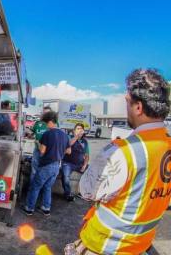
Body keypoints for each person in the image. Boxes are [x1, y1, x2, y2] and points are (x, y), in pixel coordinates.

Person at [66, 69, 171, 255]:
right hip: (140, 245)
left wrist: (107, 153)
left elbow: (87, 190)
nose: (126, 107)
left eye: (127, 102)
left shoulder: (123, 150)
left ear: (138, 107)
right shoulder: (167, 144)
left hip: (107, 246)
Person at [22, 111, 71, 216]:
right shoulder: (64, 135)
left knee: (35, 186)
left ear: (50, 122)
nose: (45, 125)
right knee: (48, 187)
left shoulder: (47, 134)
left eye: (45, 123)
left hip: (46, 165)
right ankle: (46, 208)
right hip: (57, 166)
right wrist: (58, 150)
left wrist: (37, 143)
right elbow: (68, 151)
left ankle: (29, 208)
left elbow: (42, 151)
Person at [61, 123, 89, 202]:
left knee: (92, 172)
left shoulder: (85, 142)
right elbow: (68, 145)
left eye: (81, 129)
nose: (80, 130)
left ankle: (84, 192)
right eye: (78, 129)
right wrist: (76, 136)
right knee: (65, 177)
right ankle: (68, 194)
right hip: (68, 163)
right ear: (74, 131)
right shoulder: (69, 138)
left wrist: (85, 165)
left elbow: (87, 155)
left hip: (79, 164)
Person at [30, 106, 52, 183]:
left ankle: (41, 190)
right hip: (37, 150)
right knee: (34, 170)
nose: (45, 114)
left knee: (45, 172)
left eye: (47, 113)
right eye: (44, 112)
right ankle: (32, 188)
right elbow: (32, 132)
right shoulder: (37, 123)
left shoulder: (53, 124)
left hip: (48, 151)